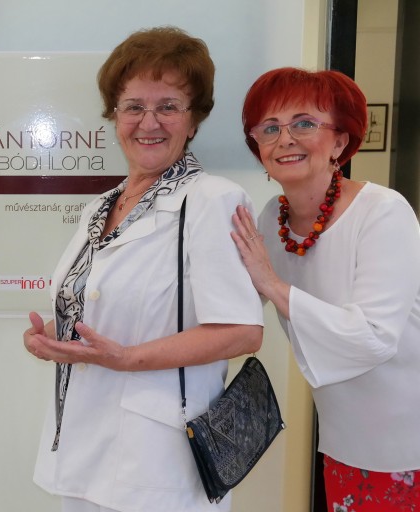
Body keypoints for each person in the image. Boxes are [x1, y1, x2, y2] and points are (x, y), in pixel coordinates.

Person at [23, 26, 264, 512]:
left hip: (159, 459)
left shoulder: (212, 199)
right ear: (115, 116)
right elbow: (106, 307)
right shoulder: (100, 208)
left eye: (168, 106)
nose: (148, 122)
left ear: (193, 120)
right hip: (82, 444)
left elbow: (242, 331)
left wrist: (127, 358)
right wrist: (53, 336)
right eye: (133, 106)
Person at [231, 67, 420, 511]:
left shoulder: (383, 211)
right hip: (344, 437)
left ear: (339, 142)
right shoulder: (271, 217)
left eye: (304, 123)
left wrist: (271, 283)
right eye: (269, 128)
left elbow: (373, 336)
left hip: (407, 441)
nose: (285, 139)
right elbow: (236, 307)